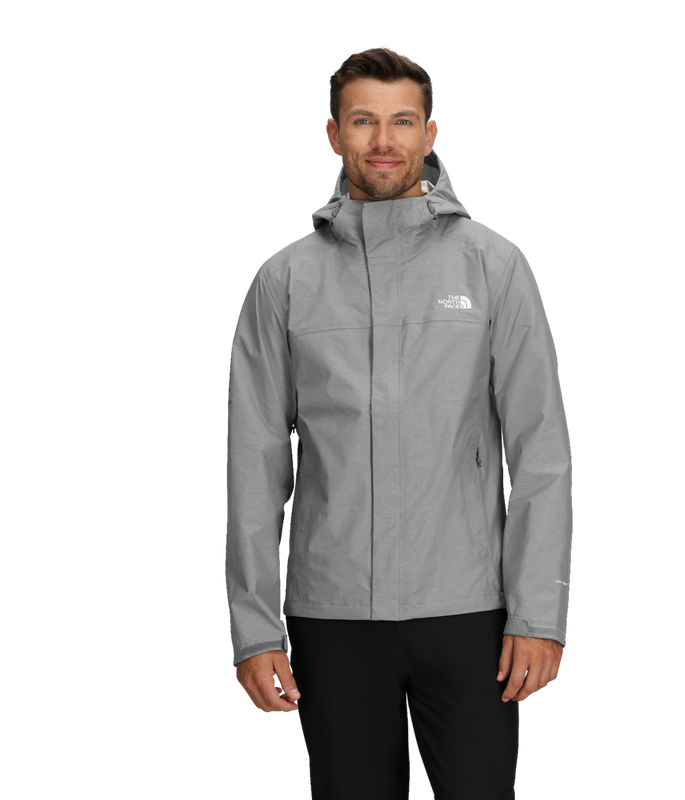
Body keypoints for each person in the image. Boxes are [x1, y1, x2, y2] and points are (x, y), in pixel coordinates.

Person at [225, 45, 573, 800]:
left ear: (431, 132)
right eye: (363, 121)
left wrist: (539, 616)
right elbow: (254, 465)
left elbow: (541, 451)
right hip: (331, 613)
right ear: (332, 133)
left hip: (473, 611)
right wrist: (253, 628)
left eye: (402, 121)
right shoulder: (284, 280)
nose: (383, 141)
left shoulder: (495, 265)